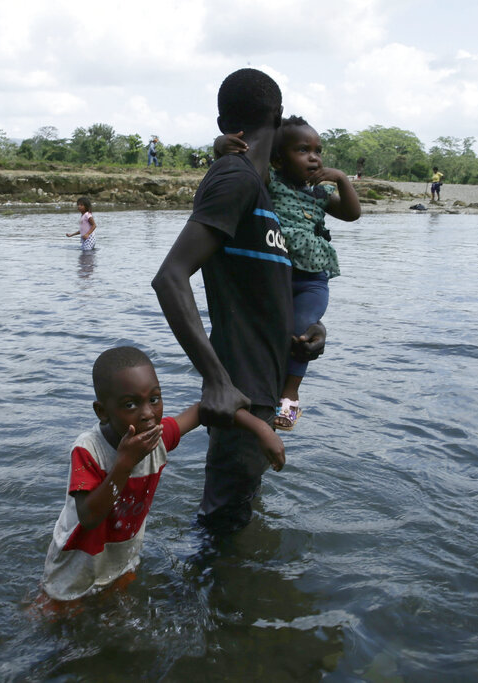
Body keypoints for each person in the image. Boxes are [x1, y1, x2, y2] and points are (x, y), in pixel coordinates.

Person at [151, 68, 326, 534]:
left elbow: (266, 292)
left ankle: (231, 599)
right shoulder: (236, 176)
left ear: (225, 120)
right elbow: (170, 277)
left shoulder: (268, 192)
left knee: (235, 517)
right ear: (278, 115)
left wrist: (311, 333)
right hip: (240, 392)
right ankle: (207, 603)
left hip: (265, 389)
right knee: (221, 529)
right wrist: (216, 380)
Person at [40, 346, 283, 602]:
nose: (147, 414)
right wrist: (125, 462)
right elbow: (89, 517)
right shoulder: (88, 450)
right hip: (75, 565)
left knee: (114, 612)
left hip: (121, 559)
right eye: (130, 404)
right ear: (102, 411)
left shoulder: (158, 438)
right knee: (60, 623)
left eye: (154, 399)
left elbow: (205, 409)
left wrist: (261, 429)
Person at [215, 115, 360, 430]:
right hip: (278, 277)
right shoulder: (270, 183)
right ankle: (263, 394)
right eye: (303, 150)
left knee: (300, 332)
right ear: (278, 159)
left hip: (312, 282)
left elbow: (352, 213)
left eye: (318, 151)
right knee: (275, 332)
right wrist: (220, 147)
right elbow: (242, 167)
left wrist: (342, 179)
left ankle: (291, 395)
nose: (314, 157)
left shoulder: (319, 195)